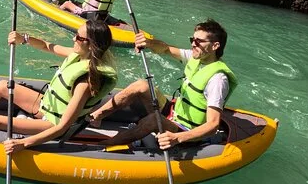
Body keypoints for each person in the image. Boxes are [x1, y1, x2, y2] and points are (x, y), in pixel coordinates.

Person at [0, 20, 118, 154]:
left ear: (91, 45)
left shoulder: (85, 82)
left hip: (52, 124)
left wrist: (24, 143)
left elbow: (62, 127)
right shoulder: (79, 55)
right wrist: (23, 39)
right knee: (4, 86)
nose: (73, 39)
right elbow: (47, 46)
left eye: (78, 37)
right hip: (46, 107)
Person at [89, 19, 237, 150]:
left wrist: (177, 138)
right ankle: (96, 116)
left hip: (186, 131)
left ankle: (103, 146)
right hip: (174, 114)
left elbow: (213, 125)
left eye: (199, 41)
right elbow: (165, 48)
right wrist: (148, 43)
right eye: (192, 39)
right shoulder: (195, 58)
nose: (193, 44)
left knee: (154, 119)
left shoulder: (218, 80)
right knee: (142, 85)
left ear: (215, 46)